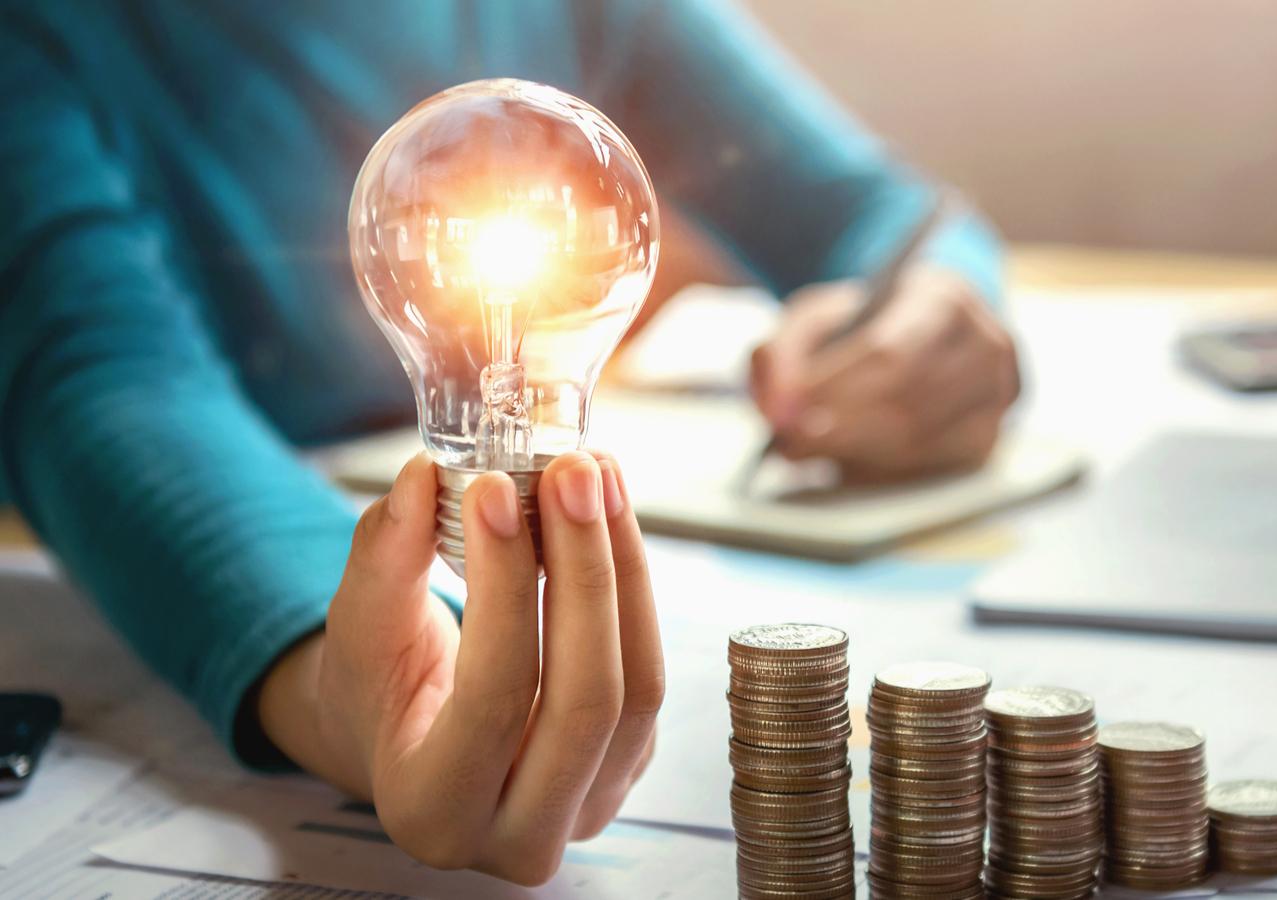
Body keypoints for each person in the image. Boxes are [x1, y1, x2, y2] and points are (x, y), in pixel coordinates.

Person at [0, 0, 1017, 884]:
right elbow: (97, 377)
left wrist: (939, 305)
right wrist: (339, 674)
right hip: (289, 543)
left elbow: (876, 210)